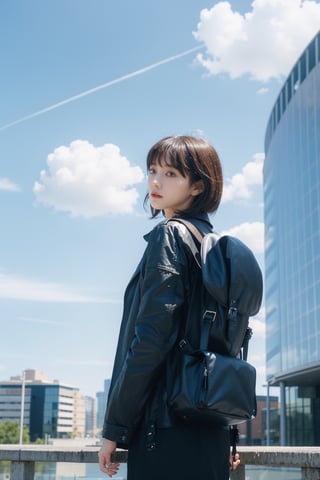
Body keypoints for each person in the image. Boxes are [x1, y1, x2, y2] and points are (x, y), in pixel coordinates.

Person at [98, 135, 240, 479]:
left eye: (172, 173)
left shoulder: (172, 236)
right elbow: (229, 347)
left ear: (198, 186)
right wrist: (231, 435)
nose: (155, 182)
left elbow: (150, 339)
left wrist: (114, 428)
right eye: (152, 170)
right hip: (212, 430)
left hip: (165, 431)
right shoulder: (216, 247)